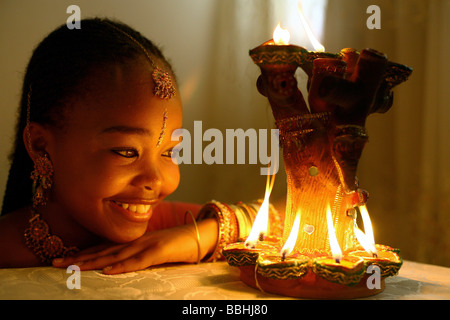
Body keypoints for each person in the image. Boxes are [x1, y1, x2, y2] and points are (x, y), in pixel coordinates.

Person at [0, 18, 281, 274]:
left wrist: (199, 237)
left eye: (170, 152)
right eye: (126, 151)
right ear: (40, 146)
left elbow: (306, 217)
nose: (156, 180)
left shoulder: (169, 226)